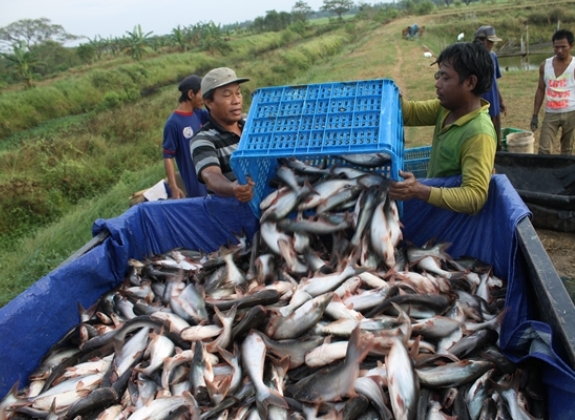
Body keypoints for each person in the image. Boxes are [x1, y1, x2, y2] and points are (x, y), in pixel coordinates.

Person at [390, 42, 496, 215]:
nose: (437, 84)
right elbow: (408, 114)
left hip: (452, 219)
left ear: (470, 82)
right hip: (436, 208)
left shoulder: (479, 133)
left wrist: (419, 190)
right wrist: (395, 98)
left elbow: (475, 196)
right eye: (438, 76)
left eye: (445, 78)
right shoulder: (447, 109)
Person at [190, 67, 254, 203]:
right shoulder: (203, 139)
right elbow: (210, 174)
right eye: (227, 95)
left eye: (238, 93)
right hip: (234, 212)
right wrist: (232, 187)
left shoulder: (250, 123)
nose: (236, 100)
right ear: (209, 102)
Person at [162, 75, 209, 198]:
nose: (203, 99)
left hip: (210, 176)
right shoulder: (173, 124)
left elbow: (218, 116)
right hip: (195, 184)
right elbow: (168, 156)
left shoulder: (199, 114)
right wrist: (173, 187)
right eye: (201, 94)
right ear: (190, 94)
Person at [531, 29, 575, 155]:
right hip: (551, 113)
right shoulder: (545, 65)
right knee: (544, 150)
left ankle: (564, 174)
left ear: (571, 46)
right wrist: (535, 115)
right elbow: (540, 89)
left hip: (571, 112)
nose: (559, 50)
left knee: (567, 150)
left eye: (563, 47)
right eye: (556, 47)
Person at [474, 25, 506, 150]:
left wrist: (500, 100)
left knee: (496, 138)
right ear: (480, 41)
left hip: (494, 103)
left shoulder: (493, 56)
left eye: (493, 42)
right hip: (480, 105)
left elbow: (494, 81)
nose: (492, 44)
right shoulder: (472, 59)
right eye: (489, 42)